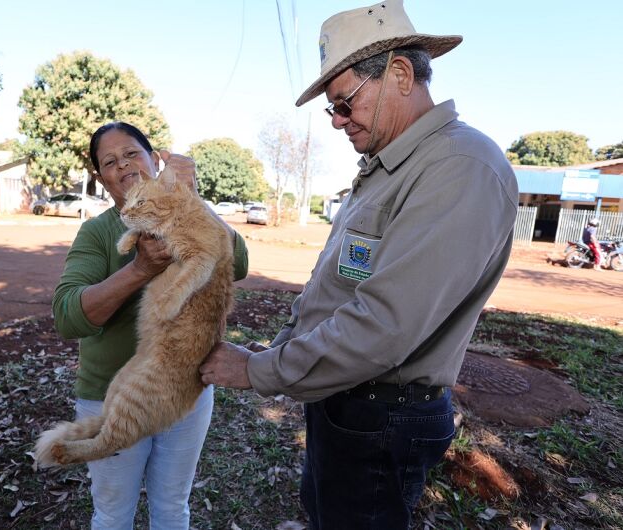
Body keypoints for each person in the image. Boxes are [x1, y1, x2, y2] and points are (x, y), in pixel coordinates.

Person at [199, 1, 518, 528]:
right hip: (346, 402)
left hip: (383, 414)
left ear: (399, 73)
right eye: (332, 110)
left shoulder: (459, 167)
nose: (338, 123)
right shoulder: (388, 167)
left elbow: (383, 325)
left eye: (345, 103)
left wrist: (259, 371)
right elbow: (339, 289)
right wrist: (279, 349)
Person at [52, 121, 249, 530]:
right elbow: (68, 316)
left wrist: (191, 198)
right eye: (110, 162)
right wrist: (140, 269)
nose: (123, 166)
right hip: (115, 390)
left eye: (132, 154)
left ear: (153, 159)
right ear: (101, 178)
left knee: (173, 507)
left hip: (184, 387)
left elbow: (240, 262)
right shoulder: (98, 231)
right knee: (112, 513)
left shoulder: (185, 208)